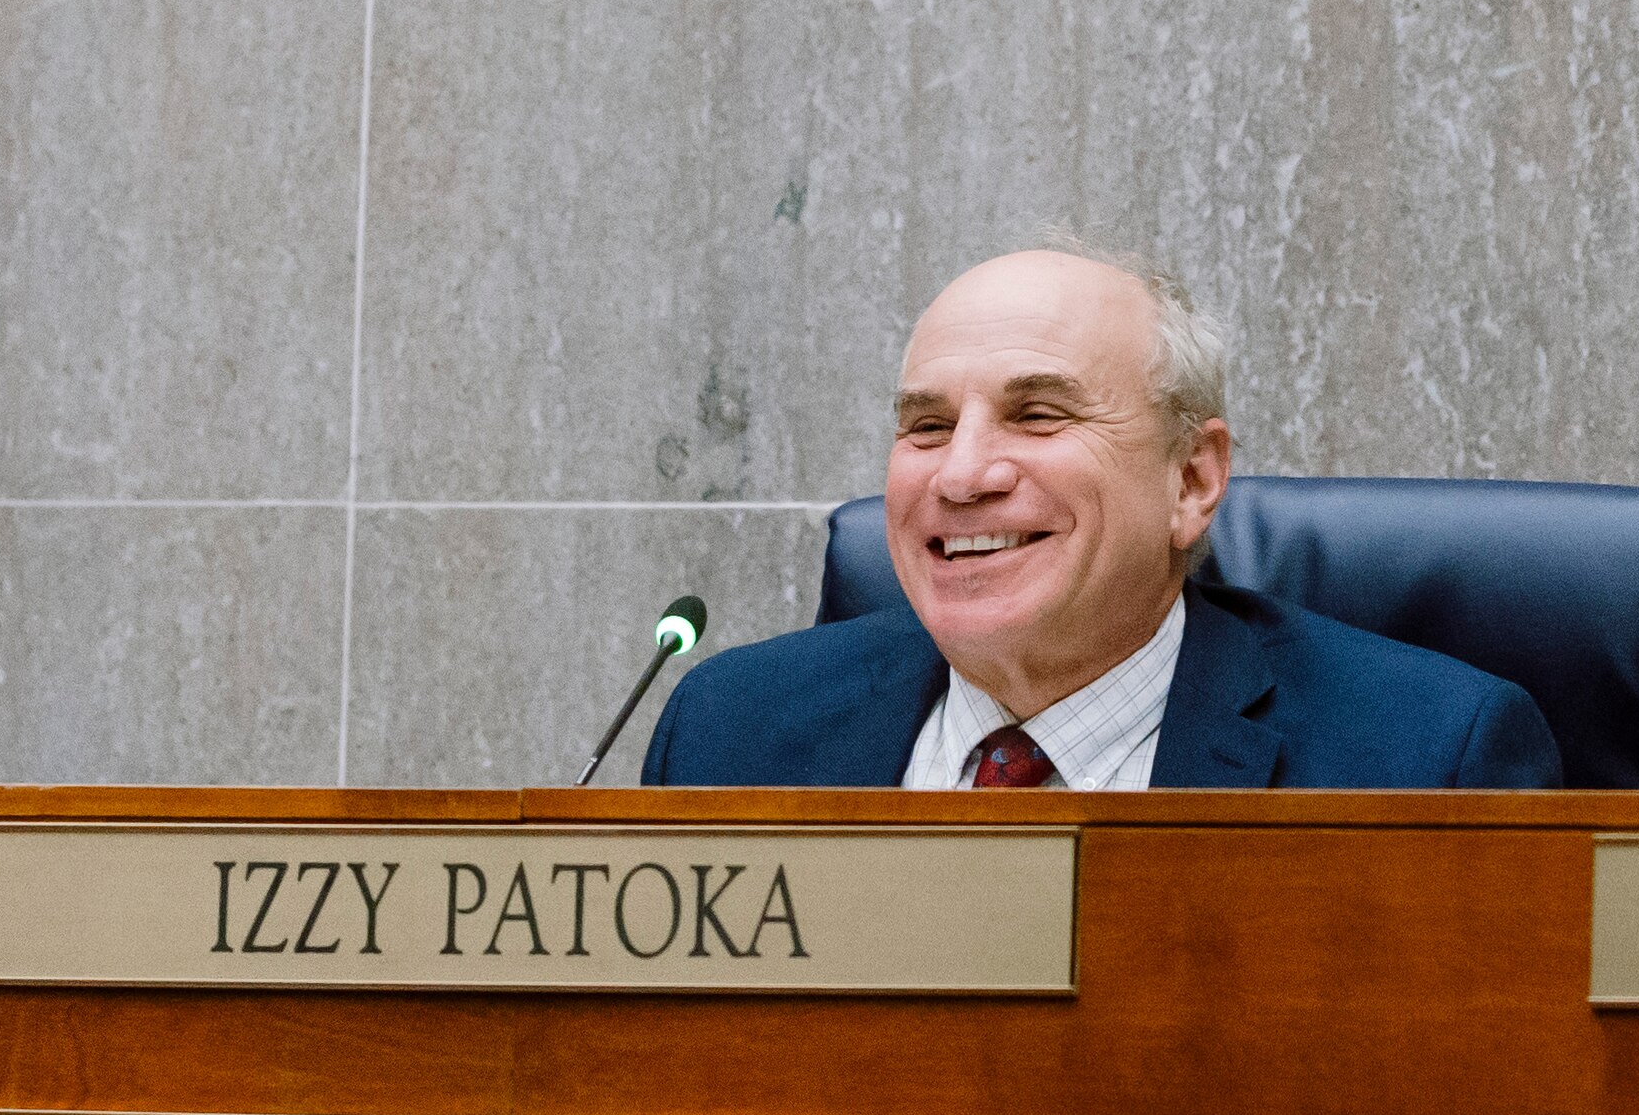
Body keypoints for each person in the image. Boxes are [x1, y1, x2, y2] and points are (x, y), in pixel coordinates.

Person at [646, 245, 1562, 791]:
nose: (961, 473)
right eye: (927, 425)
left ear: (1192, 481)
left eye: (1038, 413)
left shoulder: (1426, 758)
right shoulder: (730, 731)